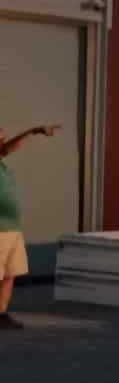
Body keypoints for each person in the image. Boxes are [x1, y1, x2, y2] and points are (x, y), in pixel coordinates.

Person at [0, 123, 62, 330]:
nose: (3, 140)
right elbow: (9, 147)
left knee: (10, 274)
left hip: (12, 228)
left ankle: (0, 314)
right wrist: (31, 131)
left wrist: (32, 132)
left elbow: (9, 147)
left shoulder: (2, 164)